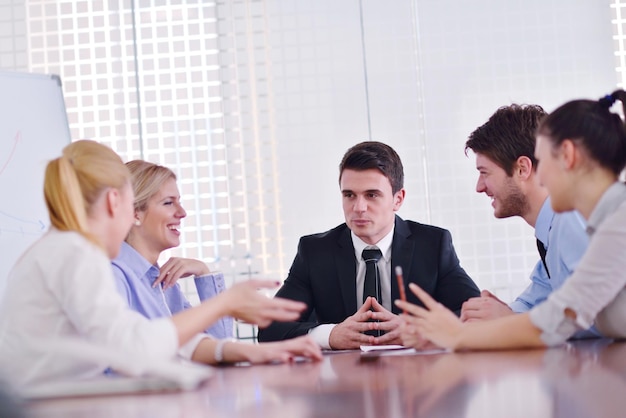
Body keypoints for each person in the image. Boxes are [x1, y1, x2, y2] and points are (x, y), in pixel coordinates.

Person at [0, 140, 310, 390]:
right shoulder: (78, 255)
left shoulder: (61, 250)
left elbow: (145, 336)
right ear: (114, 202)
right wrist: (224, 303)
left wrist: (247, 350)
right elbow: (135, 349)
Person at [396, 90, 626, 350]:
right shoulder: (602, 224)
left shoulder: (616, 224)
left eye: (543, 161)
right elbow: (556, 307)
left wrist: (456, 335)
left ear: (567, 156)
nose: (541, 178)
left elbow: (562, 318)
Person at [258, 141, 480, 349]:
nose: (359, 207)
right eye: (349, 195)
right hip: (342, 382)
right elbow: (270, 328)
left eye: (372, 195)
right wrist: (331, 335)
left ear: (398, 199)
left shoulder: (432, 245)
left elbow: (476, 314)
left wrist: (420, 331)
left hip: (417, 382)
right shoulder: (315, 252)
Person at [113, 160, 322, 364]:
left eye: (179, 201)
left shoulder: (163, 280)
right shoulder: (113, 276)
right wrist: (226, 304)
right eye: (168, 203)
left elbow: (215, 344)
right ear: (135, 214)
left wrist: (205, 274)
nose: (182, 213)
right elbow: (139, 353)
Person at [461, 104, 590, 323]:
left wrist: (510, 320)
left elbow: (597, 313)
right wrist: (496, 314)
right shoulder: (551, 233)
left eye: (485, 173)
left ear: (522, 168)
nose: (479, 187)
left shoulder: (572, 220)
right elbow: (534, 302)